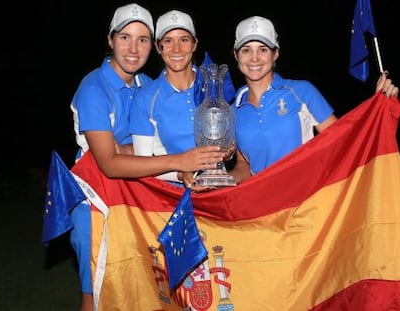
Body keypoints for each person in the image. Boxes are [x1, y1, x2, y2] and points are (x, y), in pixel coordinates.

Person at [69, 4, 224, 310]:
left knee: (137, 291)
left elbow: (139, 152)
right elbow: (109, 163)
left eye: (142, 40)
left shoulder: (144, 86)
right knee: (97, 294)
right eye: (125, 37)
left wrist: (177, 169)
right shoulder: (94, 88)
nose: (133, 48)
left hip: (133, 201)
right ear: (110, 39)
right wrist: (178, 161)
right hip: (94, 203)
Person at [229, 16, 399, 184]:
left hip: (307, 202)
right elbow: (244, 165)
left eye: (263, 49)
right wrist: (225, 179)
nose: (254, 58)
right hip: (265, 207)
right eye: (246, 50)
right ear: (236, 56)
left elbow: (343, 140)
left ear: (276, 54)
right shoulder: (231, 112)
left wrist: (375, 108)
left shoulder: (302, 92)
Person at [129, 9, 235, 191]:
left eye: (184, 40)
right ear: (158, 46)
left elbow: (230, 141)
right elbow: (143, 163)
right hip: (171, 198)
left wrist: (229, 151)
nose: (176, 49)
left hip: (219, 193)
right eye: (168, 41)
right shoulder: (146, 97)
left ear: (194, 44)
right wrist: (180, 173)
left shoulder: (215, 85)